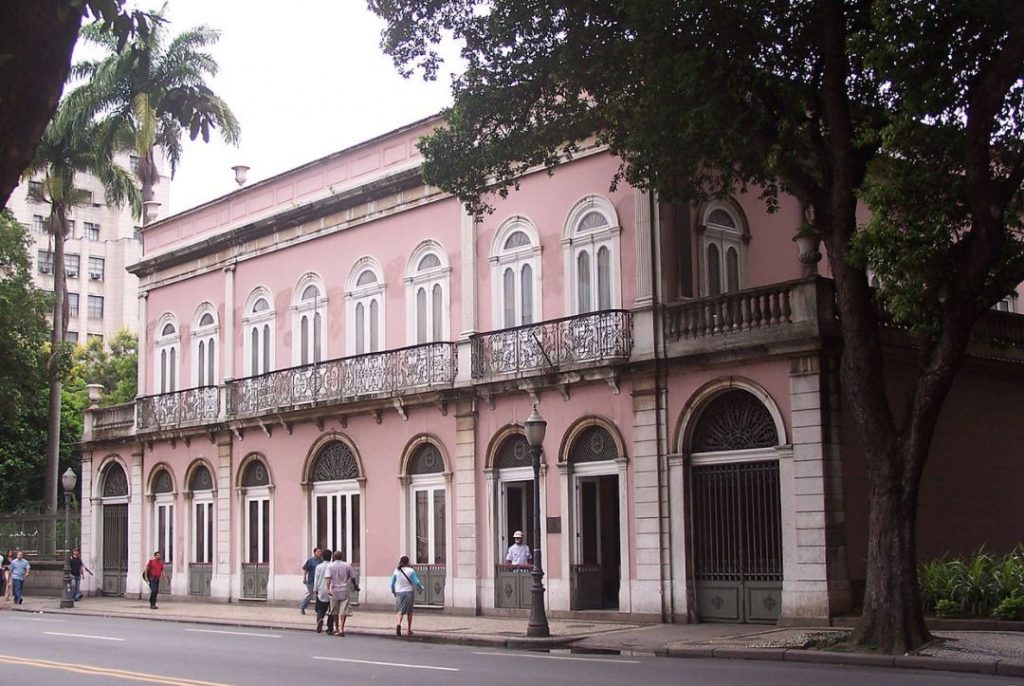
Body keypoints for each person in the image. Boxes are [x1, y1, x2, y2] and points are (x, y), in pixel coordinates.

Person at [324, 550, 359, 637]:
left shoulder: (330, 566)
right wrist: (355, 586)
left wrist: (328, 589)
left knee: (334, 610)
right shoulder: (347, 565)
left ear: (334, 557)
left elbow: (328, 578)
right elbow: (353, 577)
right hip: (344, 589)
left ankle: (336, 628)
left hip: (334, 590)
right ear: (342, 557)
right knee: (343, 610)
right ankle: (341, 628)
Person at [390, 555, 424, 637]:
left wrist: (393, 592)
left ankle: (398, 624)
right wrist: (421, 588)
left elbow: (392, 584)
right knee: (409, 611)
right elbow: (416, 582)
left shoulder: (396, 571)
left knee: (400, 611)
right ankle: (408, 630)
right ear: (408, 562)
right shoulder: (410, 571)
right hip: (408, 592)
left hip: (399, 593)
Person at [313, 548, 332, 634]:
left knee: (321, 608)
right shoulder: (332, 566)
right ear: (331, 557)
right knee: (332, 609)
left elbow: (316, 579)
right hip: (331, 590)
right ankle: (330, 627)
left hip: (321, 589)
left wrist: (315, 589)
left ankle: (320, 620)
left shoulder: (319, 567)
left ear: (323, 557)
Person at [299, 546, 321, 615]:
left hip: (319, 581)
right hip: (311, 580)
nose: (319, 553)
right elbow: (306, 569)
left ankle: (318, 609)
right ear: (314, 553)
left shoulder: (321, 561)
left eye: (320, 552)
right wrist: (304, 578)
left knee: (319, 595)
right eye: (318, 551)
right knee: (309, 594)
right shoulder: (310, 560)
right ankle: (303, 607)